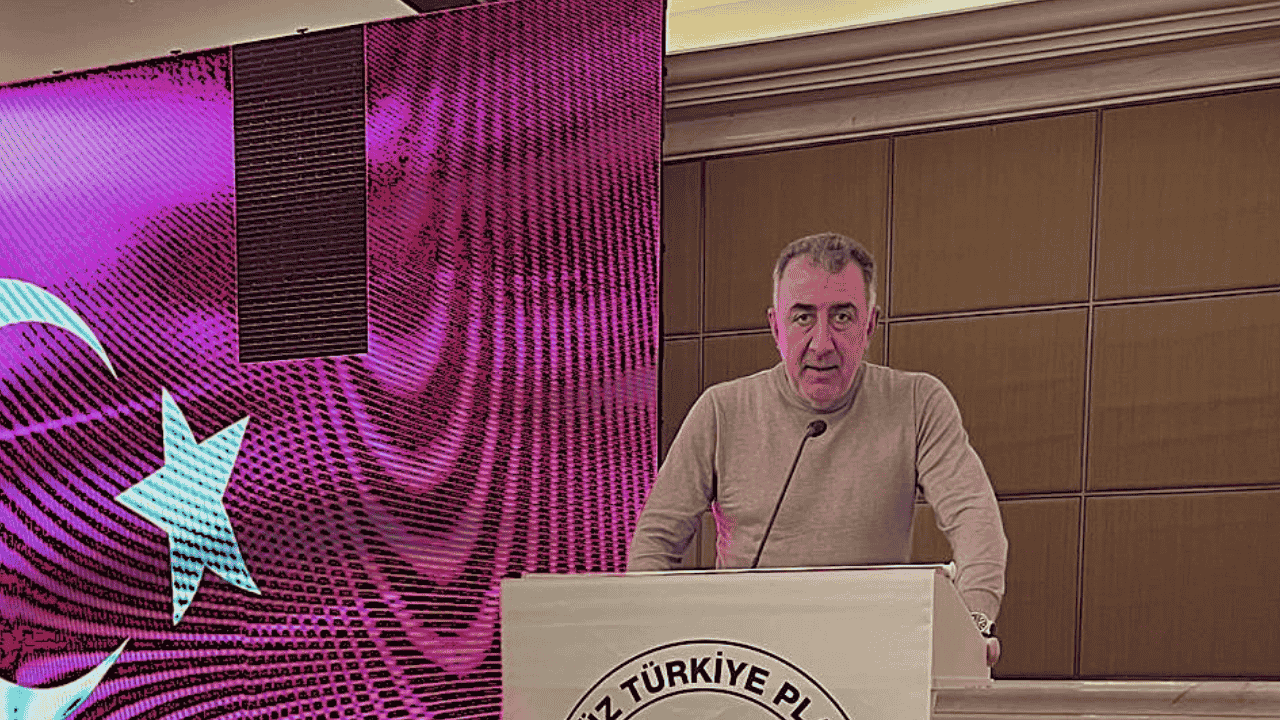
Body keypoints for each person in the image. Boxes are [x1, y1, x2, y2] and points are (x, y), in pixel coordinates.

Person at [628, 231, 1008, 665]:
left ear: (870, 326)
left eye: (842, 317)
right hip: (744, 665)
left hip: (874, 659)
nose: (822, 343)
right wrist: (652, 643)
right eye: (803, 317)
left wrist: (974, 625)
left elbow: (975, 522)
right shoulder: (720, 410)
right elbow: (654, 542)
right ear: (776, 327)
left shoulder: (919, 402)